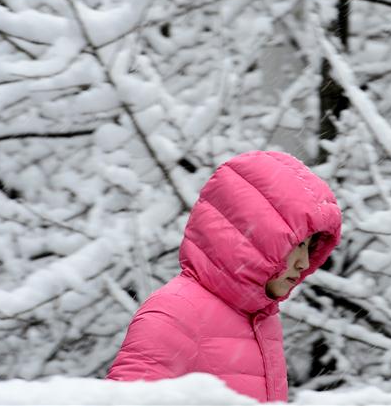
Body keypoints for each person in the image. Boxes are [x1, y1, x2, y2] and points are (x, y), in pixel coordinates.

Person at [106, 151, 342, 403]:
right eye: (297, 245)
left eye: (309, 246)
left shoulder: (260, 319)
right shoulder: (178, 312)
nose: (304, 262)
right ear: (253, 239)